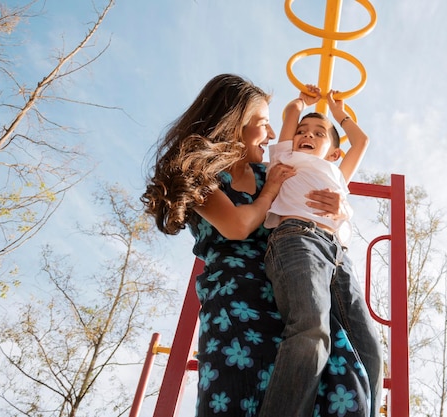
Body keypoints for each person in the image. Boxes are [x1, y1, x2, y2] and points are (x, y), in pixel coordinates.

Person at [142, 74, 369, 417]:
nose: (274, 134)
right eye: (263, 124)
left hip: (285, 293)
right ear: (235, 123)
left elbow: (323, 192)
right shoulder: (197, 174)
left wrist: (341, 207)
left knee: (333, 381)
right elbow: (237, 225)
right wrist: (268, 193)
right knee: (238, 396)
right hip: (237, 304)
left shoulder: (271, 172)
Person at [259, 86, 383, 417]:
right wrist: (303, 102)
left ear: (333, 153)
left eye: (318, 133)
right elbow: (289, 115)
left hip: (338, 256)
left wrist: (338, 108)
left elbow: (361, 143)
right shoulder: (287, 157)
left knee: (369, 346)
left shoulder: (339, 176)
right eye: (302, 131)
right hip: (296, 237)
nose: (307, 135)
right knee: (311, 329)